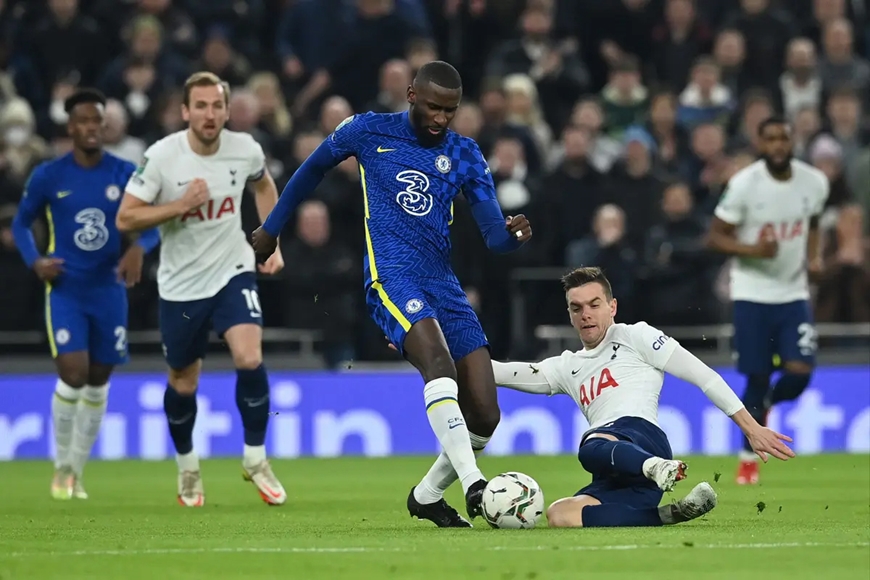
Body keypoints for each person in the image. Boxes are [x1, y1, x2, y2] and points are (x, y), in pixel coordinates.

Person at [251, 61, 532, 526]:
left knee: (485, 412)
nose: (442, 119)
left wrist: (512, 235)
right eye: (434, 107)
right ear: (410, 95)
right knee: (438, 366)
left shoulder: (464, 153)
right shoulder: (366, 131)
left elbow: (493, 238)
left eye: (451, 110)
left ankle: (425, 496)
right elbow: (312, 168)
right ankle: (473, 482)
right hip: (391, 277)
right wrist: (272, 228)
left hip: (442, 283)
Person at [492, 267, 795, 528]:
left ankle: (655, 467)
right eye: (576, 308)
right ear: (570, 315)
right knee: (560, 514)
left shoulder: (635, 337)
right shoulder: (566, 366)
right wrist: (453, 364)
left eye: (594, 304)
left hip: (641, 438)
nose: (586, 314)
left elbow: (704, 376)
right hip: (614, 470)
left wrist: (751, 428)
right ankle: (665, 514)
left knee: (590, 444)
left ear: (612, 307)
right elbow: (504, 373)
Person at [115, 72, 287, 507]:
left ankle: (254, 457)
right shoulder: (161, 157)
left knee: (250, 356)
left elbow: (264, 185)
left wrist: (272, 240)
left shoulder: (245, 149)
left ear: (227, 111)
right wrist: (178, 206)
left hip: (233, 271)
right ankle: (188, 468)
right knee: (183, 382)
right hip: (180, 287)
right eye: (202, 106)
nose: (210, 114)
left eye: (217, 106)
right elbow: (126, 218)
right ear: (185, 111)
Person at [11, 88, 160, 500]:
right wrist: (35, 260)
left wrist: (137, 248)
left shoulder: (124, 173)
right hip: (66, 288)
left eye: (98, 120)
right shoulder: (49, 175)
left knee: (98, 380)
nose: (92, 128)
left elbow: (151, 226)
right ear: (70, 126)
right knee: (72, 373)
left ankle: (76, 470)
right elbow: (22, 224)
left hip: (109, 289)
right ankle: (61, 468)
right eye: (84, 121)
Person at [705, 116, 829, 485]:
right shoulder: (744, 185)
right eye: (770, 139)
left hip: (793, 293)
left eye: (783, 139)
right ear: (761, 144)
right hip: (752, 294)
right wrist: (752, 249)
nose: (777, 145)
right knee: (756, 376)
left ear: (792, 142)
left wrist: (815, 257)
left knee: (801, 370)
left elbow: (814, 222)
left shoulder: (814, 182)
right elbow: (714, 236)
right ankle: (748, 458)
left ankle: (769, 406)